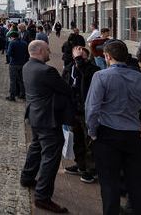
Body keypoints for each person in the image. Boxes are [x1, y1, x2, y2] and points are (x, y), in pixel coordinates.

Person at [86, 41, 141, 215]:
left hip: (107, 134)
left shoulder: (101, 76)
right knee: (138, 183)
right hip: (133, 135)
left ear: (107, 56)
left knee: (109, 184)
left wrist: (92, 132)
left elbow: (92, 109)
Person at [20, 41, 74, 214]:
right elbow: (66, 89)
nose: (50, 52)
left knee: (36, 147)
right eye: (48, 50)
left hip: (34, 115)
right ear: (41, 51)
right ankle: (43, 197)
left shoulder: (27, 66)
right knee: (50, 156)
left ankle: (27, 177)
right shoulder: (47, 71)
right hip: (47, 119)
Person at [61, 46, 99, 184]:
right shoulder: (69, 68)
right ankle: (80, 165)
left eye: (82, 55)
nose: (79, 57)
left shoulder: (93, 70)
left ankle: (91, 169)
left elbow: (85, 77)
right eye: (77, 54)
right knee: (77, 139)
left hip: (87, 111)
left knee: (89, 141)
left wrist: (80, 60)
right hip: (73, 110)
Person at [6, 32, 28, 101]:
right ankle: (22, 94)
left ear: (12, 37)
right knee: (21, 80)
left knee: (13, 80)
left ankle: (12, 96)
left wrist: (13, 56)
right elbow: (27, 54)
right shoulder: (24, 43)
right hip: (22, 63)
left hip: (14, 64)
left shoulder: (12, 43)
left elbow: (9, 53)